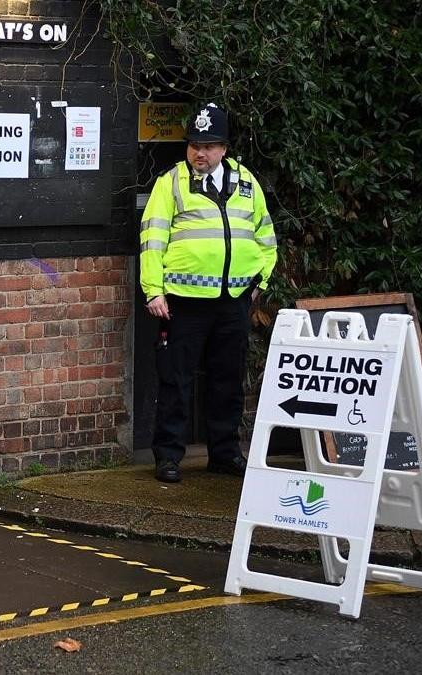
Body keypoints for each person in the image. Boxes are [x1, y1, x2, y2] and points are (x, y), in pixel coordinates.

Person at [139, 103, 278, 484]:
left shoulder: (246, 182)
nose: (200, 153)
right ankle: (168, 456)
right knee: (176, 380)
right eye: (194, 145)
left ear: (224, 148)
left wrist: (259, 283)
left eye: (209, 145)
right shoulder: (171, 183)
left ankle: (224, 453)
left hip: (232, 300)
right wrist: (154, 292)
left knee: (227, 379)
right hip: (183, 301)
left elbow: (266, 235)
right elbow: (152, 238)